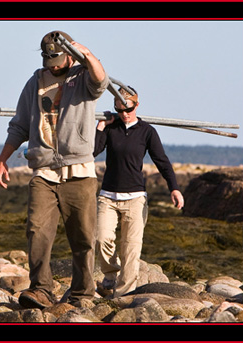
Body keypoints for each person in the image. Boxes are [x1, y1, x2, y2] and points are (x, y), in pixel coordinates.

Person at [0, 31, 109, 308]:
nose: (52, 64)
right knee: (37, 231)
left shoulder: (82, 77)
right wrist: (3, 159)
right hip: (43, 171)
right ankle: (41, 290)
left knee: (83, 236)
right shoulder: (35, 82)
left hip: (79, 171)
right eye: (48, 58)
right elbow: (20, 125)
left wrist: (89, 55)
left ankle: (82, 294)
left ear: (69, 55)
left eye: (57, 58)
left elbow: (102, 82)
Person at [94, 87, 184, 298]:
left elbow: (162, 161)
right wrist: (100, 127)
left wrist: (174, 188)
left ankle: (123, 297)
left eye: (129, 109)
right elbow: (92, 151)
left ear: (137, 105)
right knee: (101, 238)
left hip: (136, 199)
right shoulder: (110, 127)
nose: (125, 114)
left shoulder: (147, 131)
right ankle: (110, 274)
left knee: (131, 249)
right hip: (108, 196)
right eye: (120, 110)